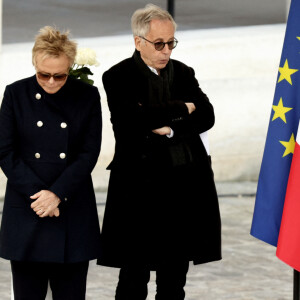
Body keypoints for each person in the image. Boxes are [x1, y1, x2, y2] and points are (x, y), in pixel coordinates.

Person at [98, 4, 221, 299]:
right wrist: (182, 108)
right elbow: (133, 121)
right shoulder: (117, 76)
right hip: (138, 190)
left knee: (174, 278)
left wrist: (170, 126)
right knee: (133, 277)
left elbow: (207, 115)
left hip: (183, 189)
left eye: (171, 43)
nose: (166, 50)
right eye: (159, 43)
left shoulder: (183, 73)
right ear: (138, 41)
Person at [0, 26, 102, 300]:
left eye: (60, 76)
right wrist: (41, 196)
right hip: (28, 208)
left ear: (70, 67)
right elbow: (6, 152)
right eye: (44, 74)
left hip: (71, 210)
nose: (52, 82)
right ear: (34, 63)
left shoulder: (87, 96)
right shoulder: (15, 94)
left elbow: (89, 153)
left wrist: (57, 194)